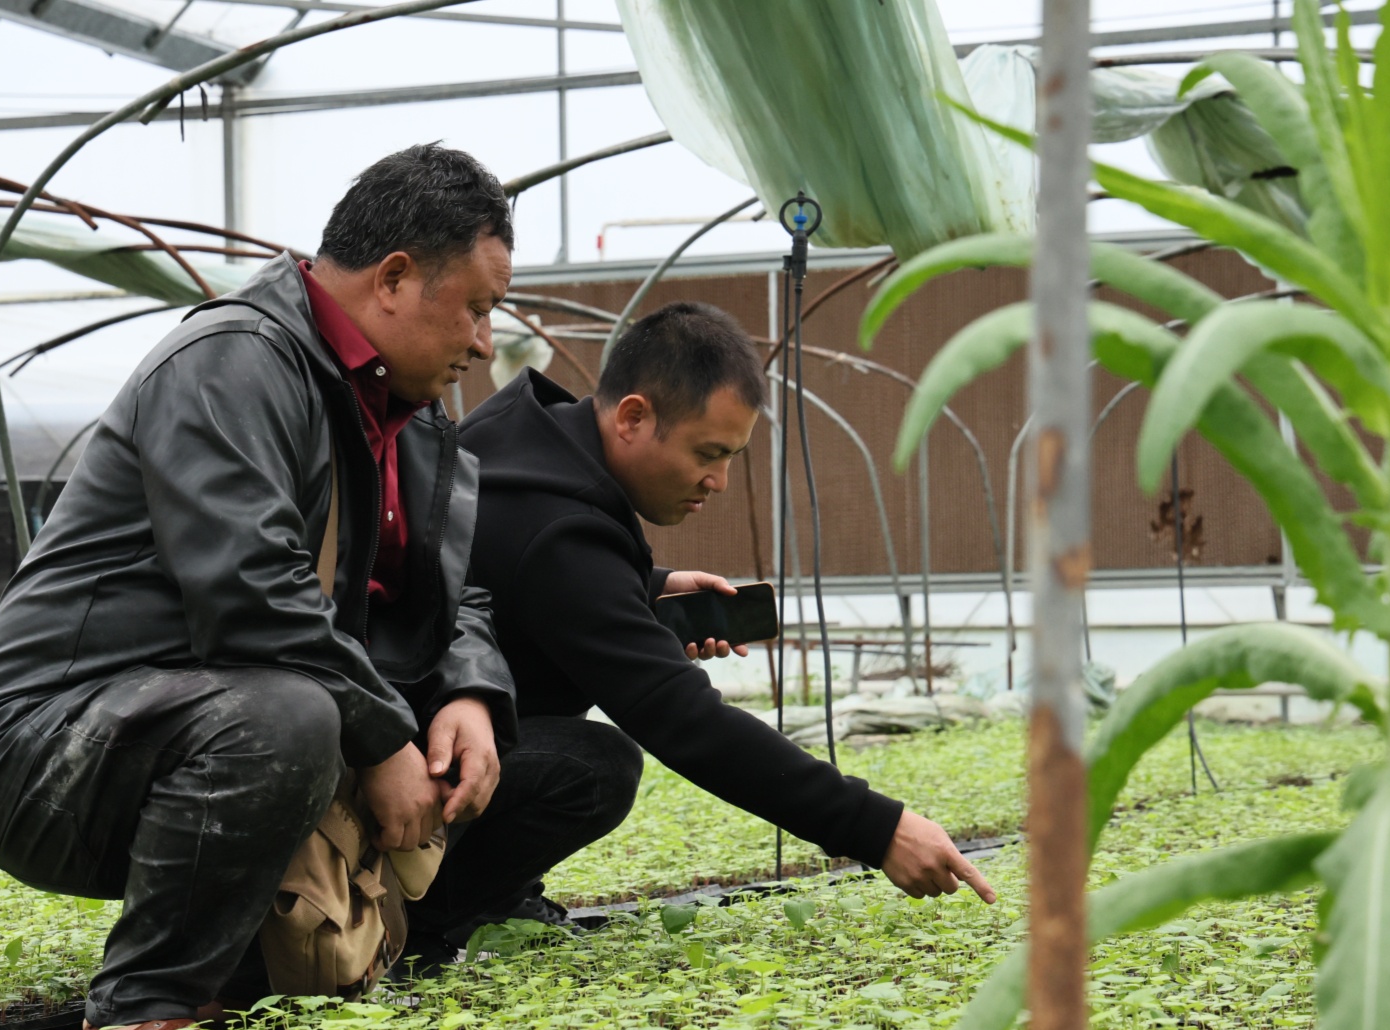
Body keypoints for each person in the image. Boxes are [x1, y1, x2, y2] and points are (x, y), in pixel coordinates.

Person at [0, 144, 519, 1030]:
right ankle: (146, 1002)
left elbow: (455, 585)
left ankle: (291, 955)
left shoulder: (397, 412)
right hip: (46, 742)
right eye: (478, 308)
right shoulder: (233, 362)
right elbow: (251, 594)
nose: (484, 341)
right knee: (291, 716)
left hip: (203, 714)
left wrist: (469, 695)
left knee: (574, 765)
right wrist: (383, 739)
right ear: (395, 278)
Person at [406, 300, 993, 960]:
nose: (719, 480)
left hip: (422, 725)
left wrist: (646, 587)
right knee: (596, 766)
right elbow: (684, 720)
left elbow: (522, 586)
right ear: (633, 417)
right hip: (407, 770)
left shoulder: (525, 441)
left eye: (733, 456)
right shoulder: (559, 533)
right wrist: (880, 829)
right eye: (708, 453)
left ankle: (487, 899)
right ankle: (418, 921)